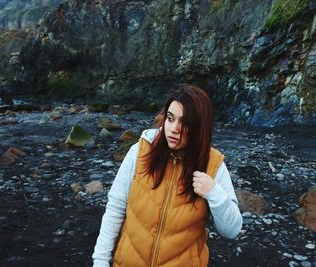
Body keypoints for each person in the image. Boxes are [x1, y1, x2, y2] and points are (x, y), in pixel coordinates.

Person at [93, 84, 242, 267]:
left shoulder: (213, 165)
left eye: (184, 123)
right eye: (170, 119)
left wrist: (214, 193)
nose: (173, 128)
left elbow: (232, 230)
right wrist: (100, 261)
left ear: (200, 127)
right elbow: (115, 208)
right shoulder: (140, 152)